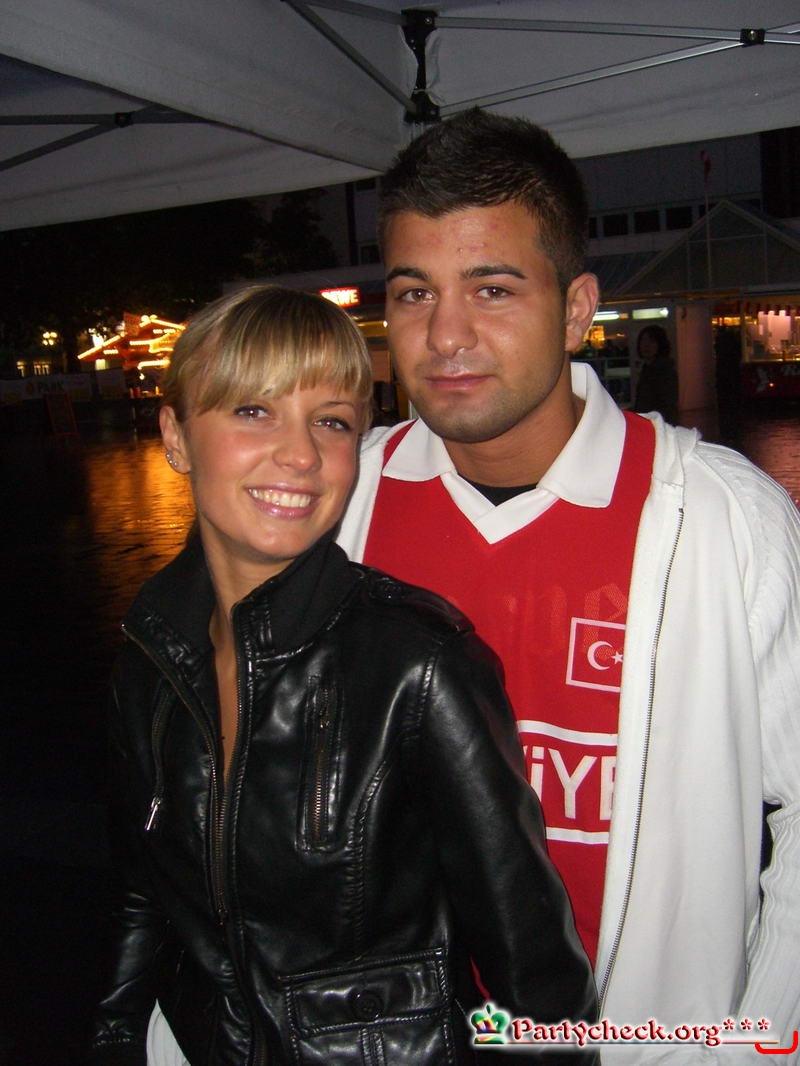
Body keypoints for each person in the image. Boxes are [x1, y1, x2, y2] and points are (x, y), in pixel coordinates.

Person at [336, 109, 800, 1058]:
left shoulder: (719, 517)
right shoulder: (340, 506)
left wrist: (750, 1042)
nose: (446, 334)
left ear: (577, 308)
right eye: (416, 292)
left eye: (492, 288)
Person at [88, 284, 596, 1066]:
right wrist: (115, 1035)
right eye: (254, 410)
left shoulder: (417, 665)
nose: (301, 454)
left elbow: (538, 985)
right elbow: (143, 889)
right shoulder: (151, 651)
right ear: (177, 437)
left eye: (332, 422)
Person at [632, 324, 678, 424]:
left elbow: (667, 404)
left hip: (658, 423)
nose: (646, 345)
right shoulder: (647, 368)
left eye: (651, 341)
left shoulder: (664, 370)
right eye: (643, 341)